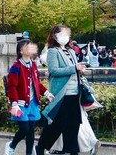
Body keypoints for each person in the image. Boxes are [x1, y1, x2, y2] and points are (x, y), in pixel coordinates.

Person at [35, 25, 86, 155]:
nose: (66, 36)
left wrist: (80, 70)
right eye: (62, 33)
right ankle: (41, 146)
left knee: (73, 124)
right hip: (62, 94)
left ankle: (72, 150)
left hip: (75, 93)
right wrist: (74, 68)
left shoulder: (71, 51)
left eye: (67, 33)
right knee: (57, 124)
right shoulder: (53, 51)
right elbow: (54, 70)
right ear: (55, 36)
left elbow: (75, 69)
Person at [4, 39, 52, 155]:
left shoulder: (33, 65)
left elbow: (37, 83)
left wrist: (47, 93)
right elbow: (12, 87)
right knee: (25, 129)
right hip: (20, 104)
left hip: (33, 103)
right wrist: (14, 104)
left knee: (31, 131)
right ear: (21, 50)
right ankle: (12, 145)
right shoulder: (16, 66)